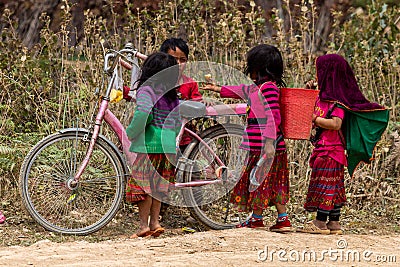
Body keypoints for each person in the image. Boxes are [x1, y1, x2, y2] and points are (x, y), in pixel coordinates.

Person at [202, 44, 293, 232]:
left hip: (265, 146)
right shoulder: (256, 88)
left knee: (259, 180)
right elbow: (238, 90)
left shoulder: (268, 89)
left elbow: (273, 117)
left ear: (258, 68)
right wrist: (217, 88)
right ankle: (280, 219)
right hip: (258, 146)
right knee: (269, 181)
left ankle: (259, 219)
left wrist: (269, 144)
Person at [300, 54, 388, 235]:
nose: (317, 76)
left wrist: (315, 120)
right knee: (334, 186)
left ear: (328, 75)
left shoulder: (337, 103)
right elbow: (306, 104)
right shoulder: (322, 98)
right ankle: (334, 223)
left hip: (331, 151)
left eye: (320, 73)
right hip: (325, 149)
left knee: (327, 185)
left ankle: (320, 222)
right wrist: (307, 90)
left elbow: (336, 124)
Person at [125, 52, 180, 238]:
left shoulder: (146, 90)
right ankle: (155, 222)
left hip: (149, 146)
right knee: (158, 187)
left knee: (143, 186)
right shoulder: (172, 94)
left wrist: (131, 132)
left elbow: (144, 114)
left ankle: (143, 226)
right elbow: (177, 120)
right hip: (168, 147)